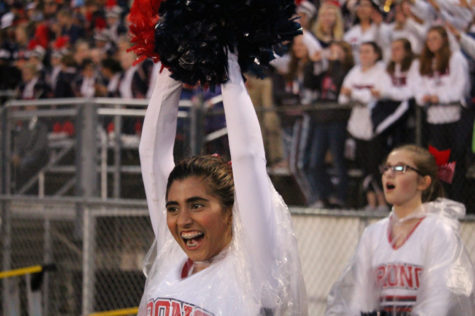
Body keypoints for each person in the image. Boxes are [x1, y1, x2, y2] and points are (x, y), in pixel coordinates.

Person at [137, 54, 307, 315]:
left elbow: (247, 158)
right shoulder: (173, 255)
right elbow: (151, 155)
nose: (182, 220)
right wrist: (172, 61)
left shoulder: (254, 267)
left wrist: (229, 59)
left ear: (230, 210)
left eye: (197, 205)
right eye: (172, 208)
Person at [326, 144, 475, 315]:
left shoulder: (439, 232)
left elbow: (438, 304)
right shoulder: (372, 234)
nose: (389, 173)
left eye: (400, 168)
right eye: (387, 167)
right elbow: (360, 301)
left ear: (423, 182)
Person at [415, 25, 470, 202]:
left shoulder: (456, 59)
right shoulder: (425, 62)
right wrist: (425, 97)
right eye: (429, 39)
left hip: (455, 117)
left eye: (435, 38)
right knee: (441, 163)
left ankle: (458, 198)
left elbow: (461, 88)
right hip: (434, 118)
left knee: (457, 160)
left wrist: (440, 97)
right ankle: (444, 197)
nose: (431, 43)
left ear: (444, 40)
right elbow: (418, 89)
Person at [338, 41, 391, 211]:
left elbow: (376, 96)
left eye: (368, 51)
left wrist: (354, 93)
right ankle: (371, 202)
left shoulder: (382, 71)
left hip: (375, 127)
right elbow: (342, 98)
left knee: (376, 164)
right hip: (356, 126)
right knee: (363, 166)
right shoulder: (354, 71)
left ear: (376, 54)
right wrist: (361, 94)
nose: (363, 55)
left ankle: (383, 202)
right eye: (361, 52)